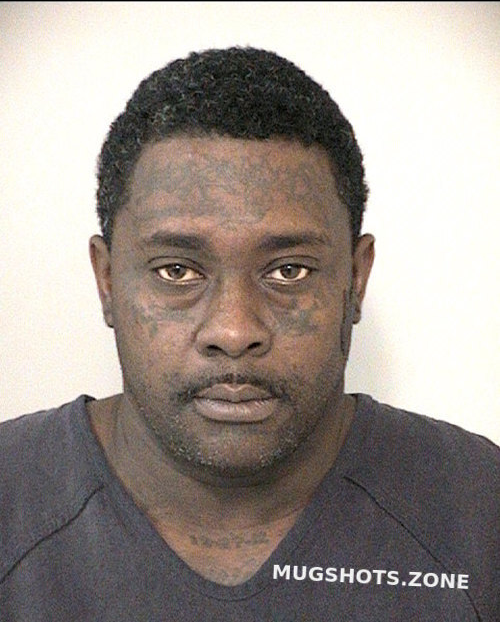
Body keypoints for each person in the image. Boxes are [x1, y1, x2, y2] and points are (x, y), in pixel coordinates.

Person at [0, 46, 498, 621]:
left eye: (289, 271)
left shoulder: (479, 511)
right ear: (107, 280)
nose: (234, 331)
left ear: (356, 279)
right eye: (176, 271)